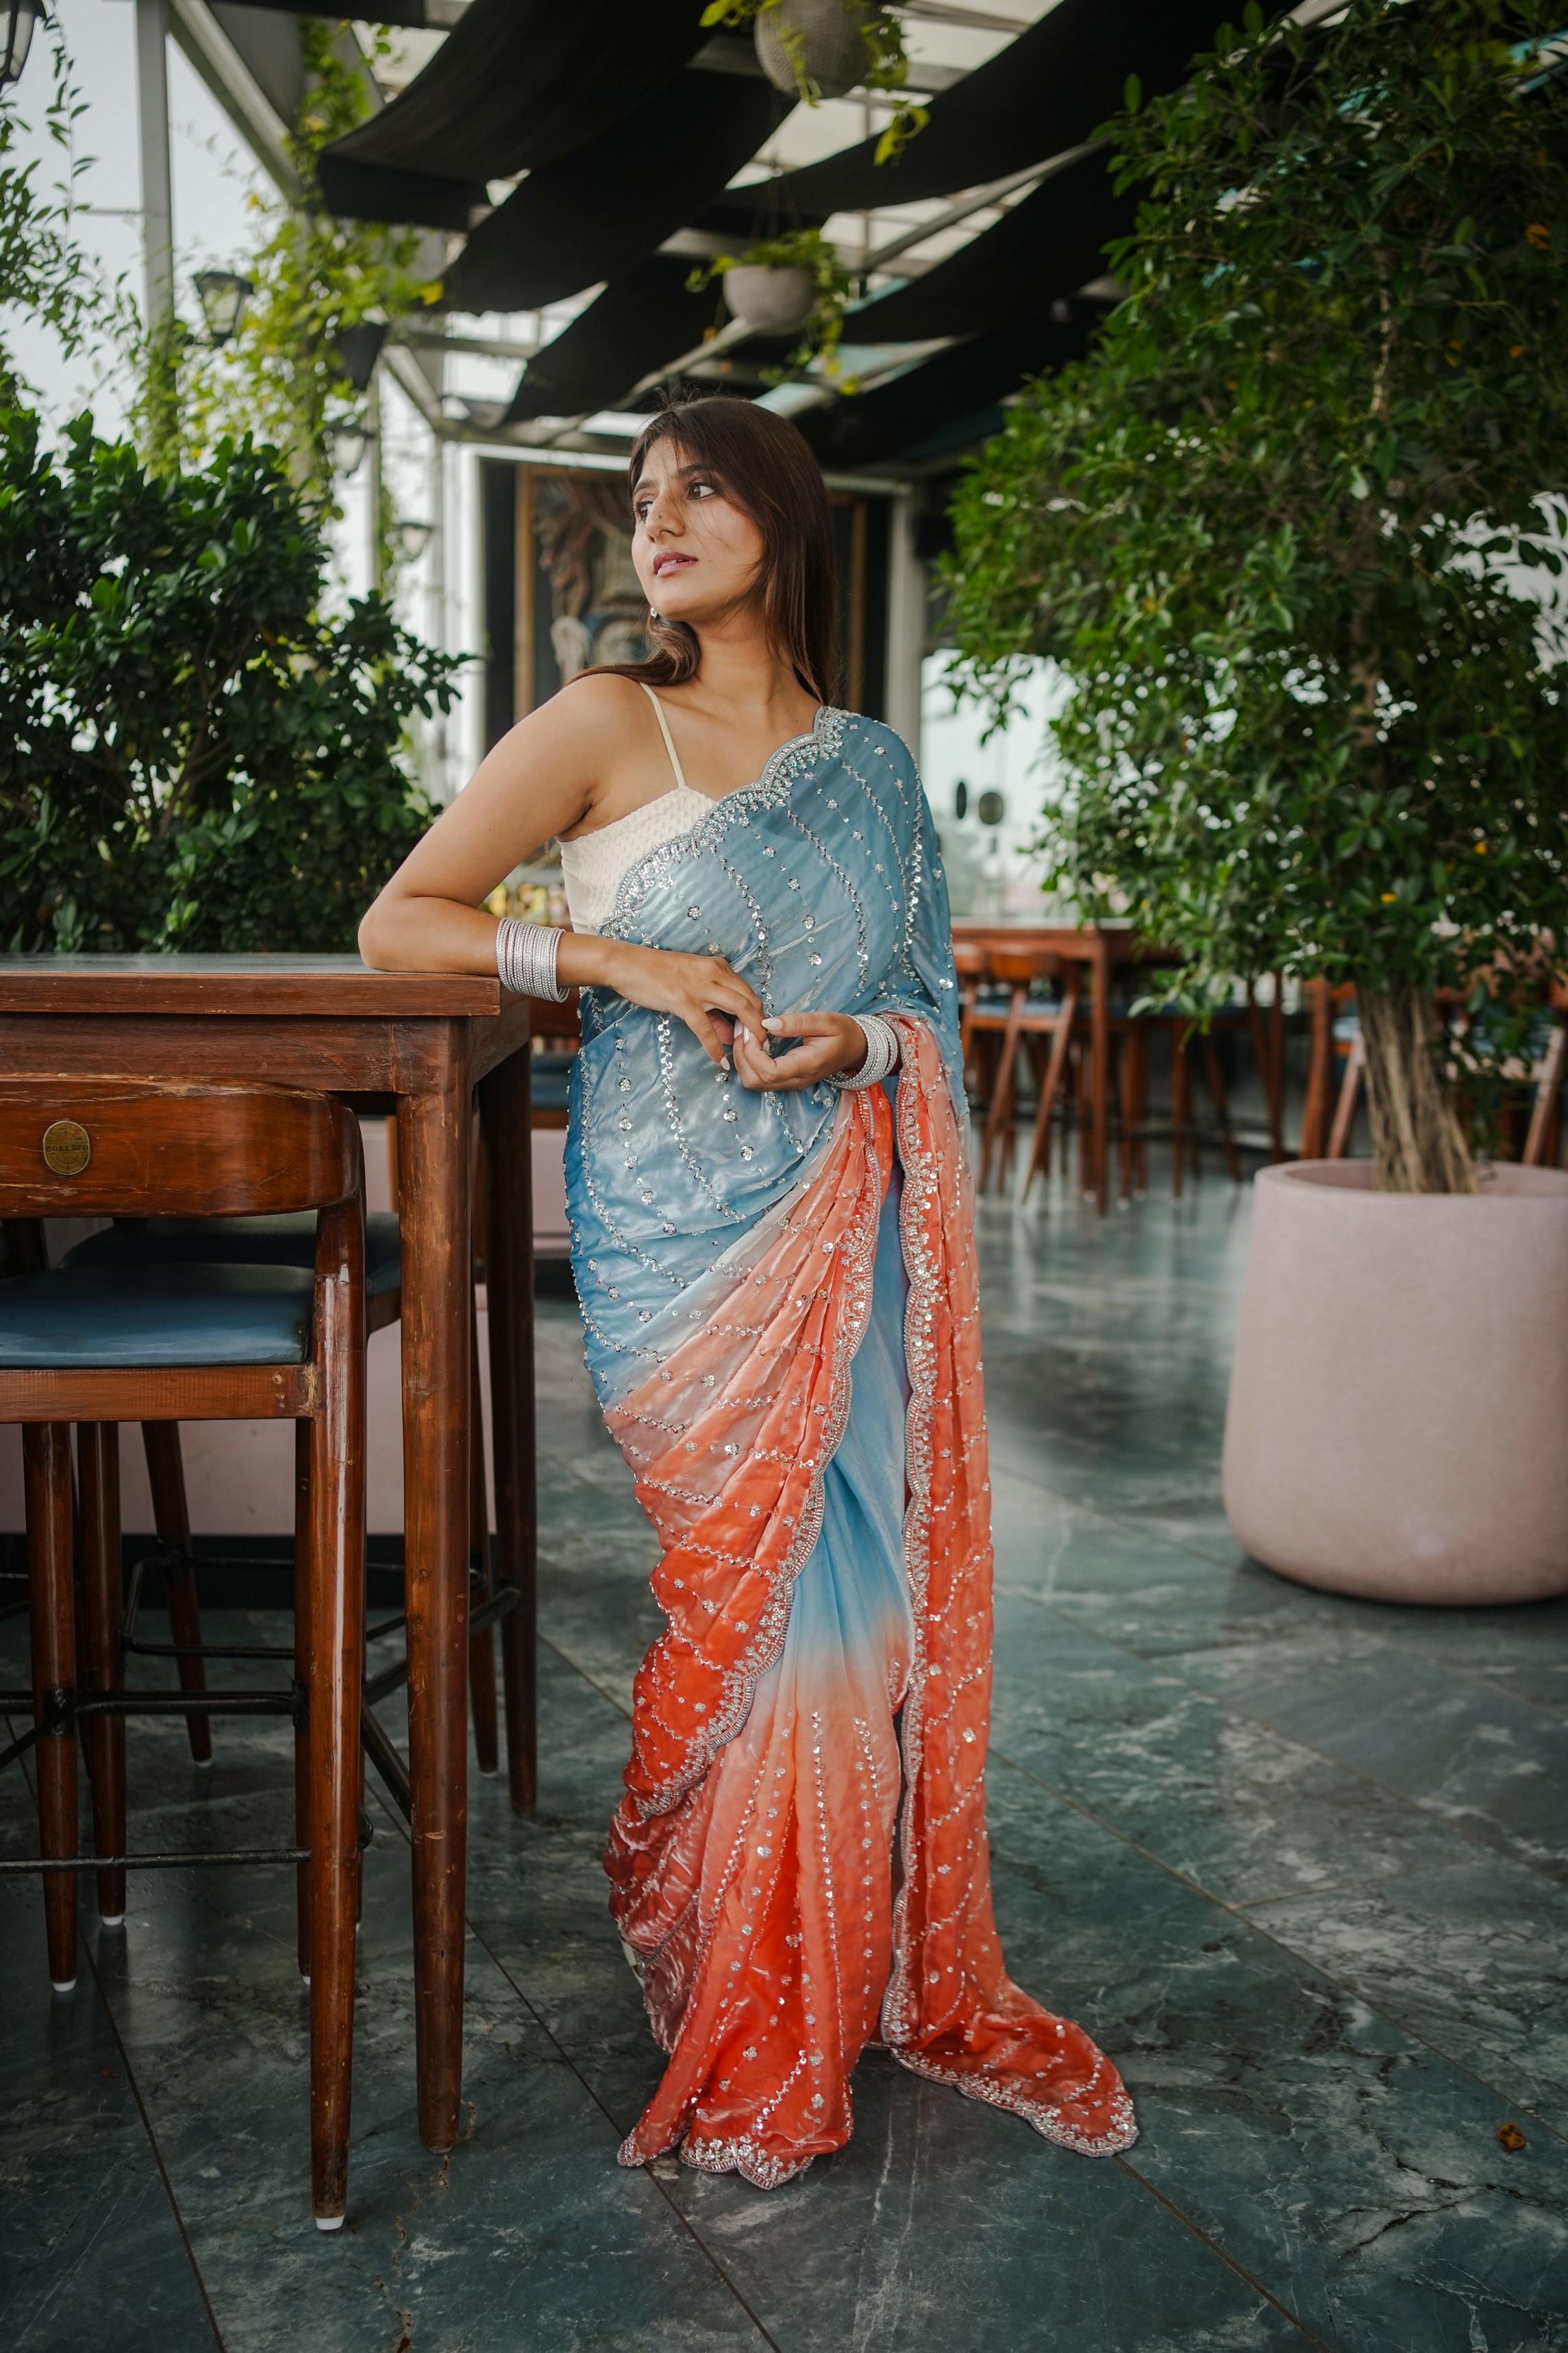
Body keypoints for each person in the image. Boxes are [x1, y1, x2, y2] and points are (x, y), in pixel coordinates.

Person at [358, 395, 1135, 2188]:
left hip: (837, 1215)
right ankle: (739, 1957)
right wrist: (620, 958)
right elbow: (404, 919)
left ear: (783, 516)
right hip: (673, 1242)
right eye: (643, 496)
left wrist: (858, 1040)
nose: (660, 520)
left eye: (699, 488)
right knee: (739, 1599)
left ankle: (798, 1989)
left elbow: (924, 1009)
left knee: (833, 1617)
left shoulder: (870, 766)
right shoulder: (599, 720)